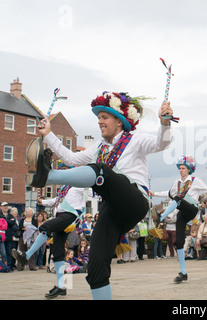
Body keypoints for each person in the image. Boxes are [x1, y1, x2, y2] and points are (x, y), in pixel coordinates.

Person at [23, 91, 173, 299]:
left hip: (134, 199)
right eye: (98, 118)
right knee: (95, 271)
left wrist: (165, 123)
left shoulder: (135, 140)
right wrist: (48, 134)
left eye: (104, 117)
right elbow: (71, 158)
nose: (100, 122)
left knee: (101, 170)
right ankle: (46, 176)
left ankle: (47, 176)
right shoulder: (98, 147)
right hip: (110, 210)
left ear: (119, 121)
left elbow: (161, 144)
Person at [151, 155, 207, 283]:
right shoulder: (176, 183)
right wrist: (155, 193)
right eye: (180, 168)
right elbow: (168, 194)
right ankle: (183, 272)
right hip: (182, 212)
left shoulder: (195, 180)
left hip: (192, 208)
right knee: (178, 242)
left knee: (178, 199)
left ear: (189, 169)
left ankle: (160, 218)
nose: (181, 170)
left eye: (183, 168)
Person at [13, 183, 87, 298]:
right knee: (57, 252)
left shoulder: (78, 185)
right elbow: (57, 200)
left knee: (45, 227)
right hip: (60, 217)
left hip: (69, 216)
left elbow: (90, 188)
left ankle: (26, 256)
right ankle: (61, 286)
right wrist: (43, 202)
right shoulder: (64, 188)